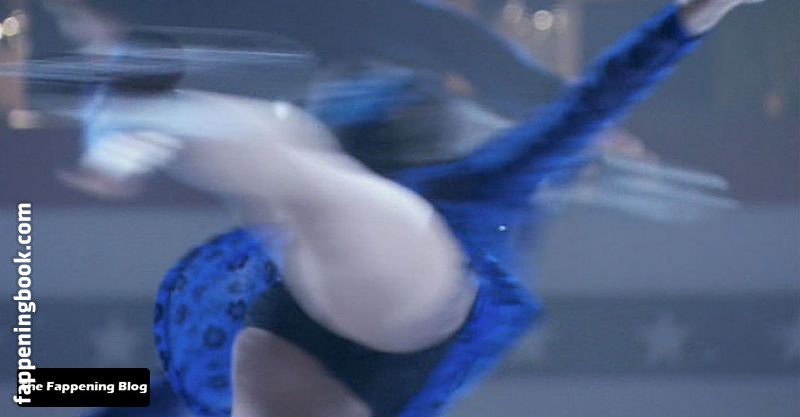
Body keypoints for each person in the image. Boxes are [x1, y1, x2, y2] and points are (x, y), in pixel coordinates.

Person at [36, 0, 762, 416]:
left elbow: (595, 99)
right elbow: (599, 96)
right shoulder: (474, 177)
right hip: (343, 318)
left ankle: (158, 115)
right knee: (296, 193)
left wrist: (695, 15)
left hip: (382, 295)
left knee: (299, 185)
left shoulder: (474, 179)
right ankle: (160, 115)